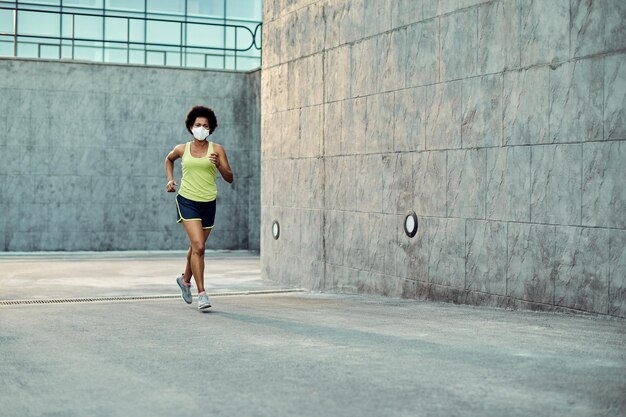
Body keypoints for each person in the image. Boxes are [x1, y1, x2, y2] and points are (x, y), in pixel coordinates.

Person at [165, 105, 233, 310]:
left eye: (205, 126)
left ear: (210, 129)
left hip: (208, 202)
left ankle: (184, 280)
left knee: (196, 247)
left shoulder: (217, 150)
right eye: (198, 125)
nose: (201, 128)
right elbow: (168, 159)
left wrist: (219, 165)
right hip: (187, 200)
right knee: (200, 247)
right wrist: (170, 180)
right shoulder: (182, 149)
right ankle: (201, 294)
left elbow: (230, 178)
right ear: (191, 127)